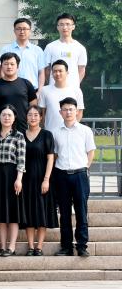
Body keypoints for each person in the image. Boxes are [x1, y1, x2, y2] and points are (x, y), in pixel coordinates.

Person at [52, 97, 95, 257]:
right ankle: (66, 247)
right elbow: (54, 154)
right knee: (64, 213)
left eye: (71, 109)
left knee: (81, 212)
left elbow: (91, 151)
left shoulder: (85, 131)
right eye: (65, 109)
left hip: (80, 175)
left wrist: (85, 168)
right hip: (61, 175)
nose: (68, 112)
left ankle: (82, 245)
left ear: (76, 111)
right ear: (60, 112)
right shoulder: (55, 132)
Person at [21, 106, 58, 256]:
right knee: (29, 213)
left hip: (43, 179)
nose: (33, 117)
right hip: (25, 180)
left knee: (42, 213)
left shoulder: (47, 135)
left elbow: (50, 158)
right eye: (30, 115)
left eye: (36, 115)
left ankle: (39, 247)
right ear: (26, 117)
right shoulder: (21, 135)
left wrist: (46, 179)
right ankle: (30, 247)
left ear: (41, 117)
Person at [0, 106, 26, 258]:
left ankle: (11, 247)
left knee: (13, 212)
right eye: (3, 114)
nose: (6, 117)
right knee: (0, 212)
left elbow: (21, 160)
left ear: (14, 118)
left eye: (9, 115)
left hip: (12, 175)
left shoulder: (19, 136)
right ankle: (2, 246)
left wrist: (19, 179)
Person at [0, 52, 37, 133]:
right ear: (1, 66)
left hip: (23, 128)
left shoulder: (26, 84)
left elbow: (33, 106)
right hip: (1, 130)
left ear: (17, 66)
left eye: (12, 64)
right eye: (6, 64)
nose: (9, 66)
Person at [38, 60, 84, 132]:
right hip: (50, 132)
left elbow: (79, 112)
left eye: (60, 71)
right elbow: (42, 113)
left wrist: (72, 129)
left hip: (70, 132)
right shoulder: (45, 90)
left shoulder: (76, 90)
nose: (57, 73)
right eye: (55, 71)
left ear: (67, 73)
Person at [42, 12, 87, 88]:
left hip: (73, 89)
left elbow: (81, 70)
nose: (65, 27)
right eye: (61, 24)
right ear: (57, 27)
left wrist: (75, 85)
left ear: (73, 26)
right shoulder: (50, 47)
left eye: (68, 24)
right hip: (54, 89)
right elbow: (47, 70)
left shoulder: (80, 48)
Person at [2, 18, 45, 89]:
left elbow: (41, 72)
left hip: (33, 90)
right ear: (14, 31)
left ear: (30, 31)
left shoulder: (37, 50)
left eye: (25, 29)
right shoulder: (6, 49)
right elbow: (2, 70)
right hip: (11, 89)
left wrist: (40, 91)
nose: (22, 31)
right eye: (19, 29)